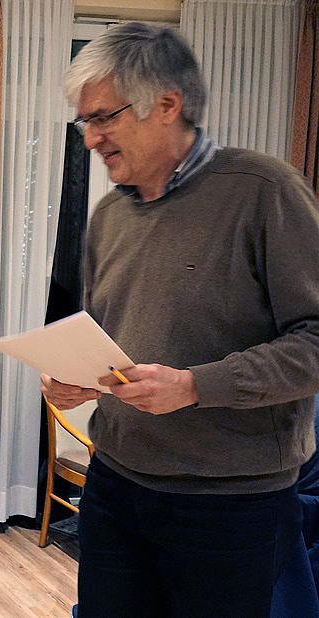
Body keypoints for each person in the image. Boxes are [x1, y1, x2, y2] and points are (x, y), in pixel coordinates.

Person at [42, 22, 319, 618]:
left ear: (167, 105)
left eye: (103, 117)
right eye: (84, 121)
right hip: (115, 486)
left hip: (229, 508)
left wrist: (196, 386)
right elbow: (108, 337)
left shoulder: (265, 192)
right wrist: (75, 376)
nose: (90, 138)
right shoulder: (109, 215)